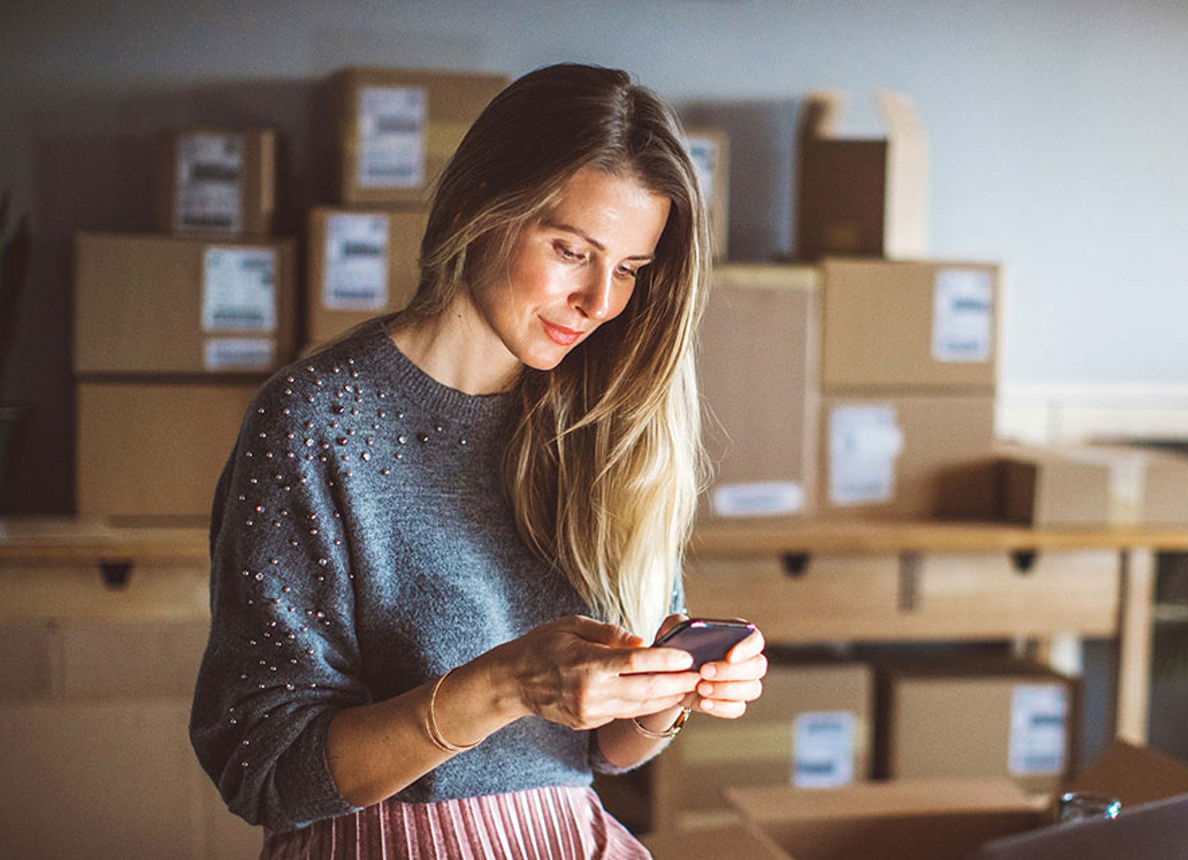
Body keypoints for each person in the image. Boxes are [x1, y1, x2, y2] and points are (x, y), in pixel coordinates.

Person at [189, 63, 768, 858]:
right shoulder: (315, 420)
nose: (600, 302)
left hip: (568, 835)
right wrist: (504, 684)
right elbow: (265, 770)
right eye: (572, 250)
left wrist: (666, 694)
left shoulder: (606, 423)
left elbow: (597, 753)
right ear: (479, 207)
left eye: (630, 270)